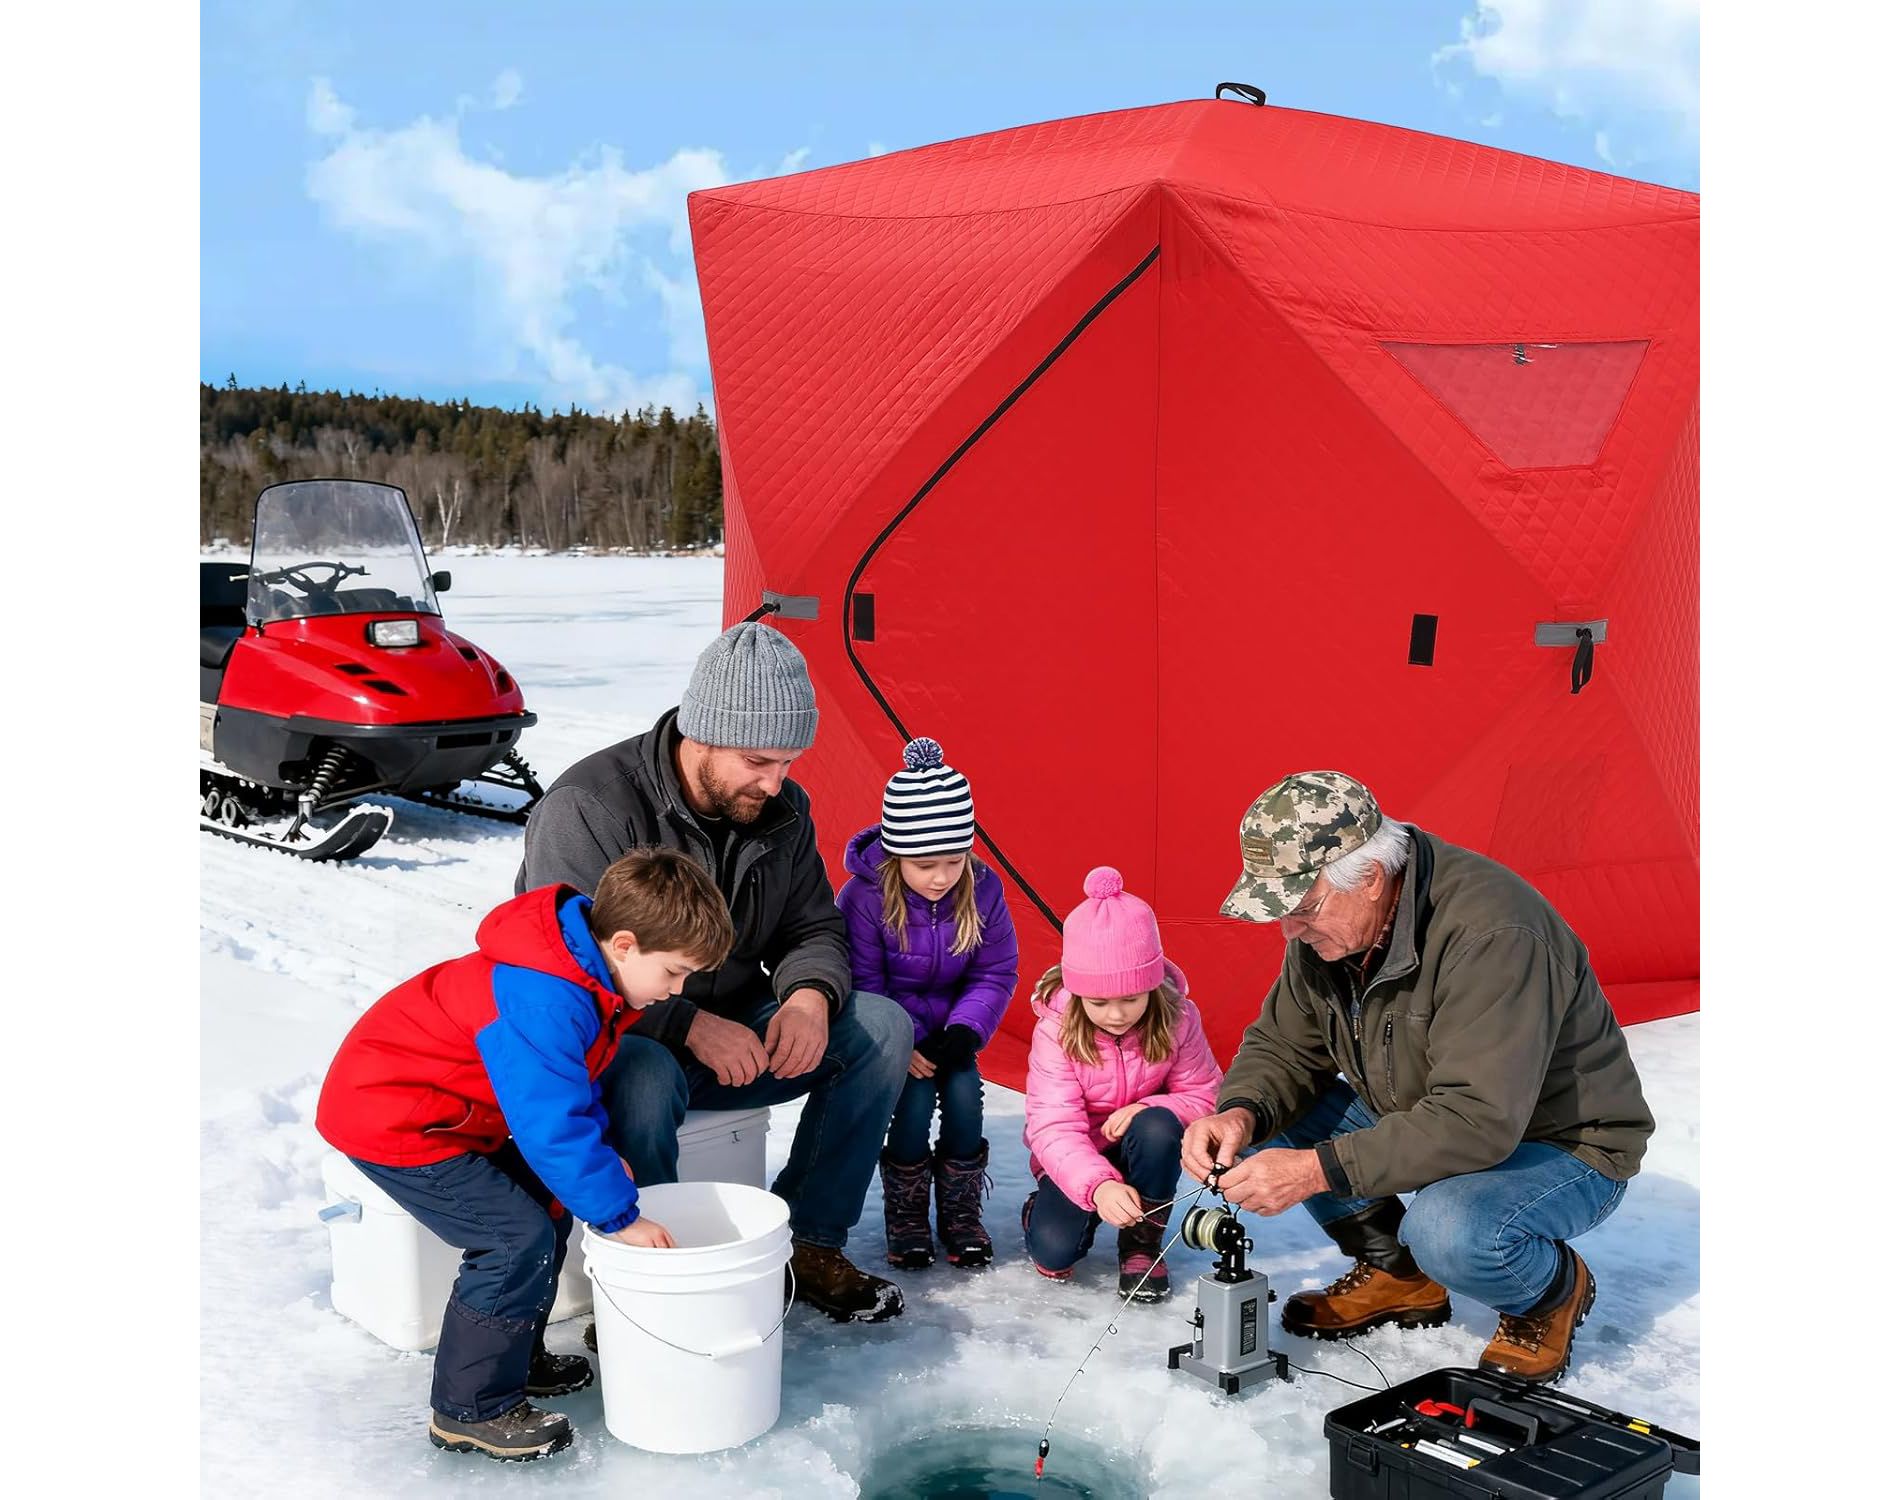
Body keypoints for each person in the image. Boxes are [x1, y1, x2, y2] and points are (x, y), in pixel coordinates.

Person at [1182, 771, 1655, 1383]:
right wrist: (1239, 1112)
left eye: (1300, 910)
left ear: (1371, 878)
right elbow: (1283, 1046)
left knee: (1446, 1228)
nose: (1290, 931)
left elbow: (1477, 1118)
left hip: (1561, 1144)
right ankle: (1398, 1274)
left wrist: (1316, 1170)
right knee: (1271, 1117)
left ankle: (1550, 1292)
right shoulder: (1335, 924)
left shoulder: (1493, 933)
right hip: (1431, 1113)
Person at [517, 621, 913, 1323]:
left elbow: (812, 926)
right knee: (644, 1074)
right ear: (700, 734)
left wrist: (810, 998)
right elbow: (564, 962)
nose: (777, 781)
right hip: (617, 1040)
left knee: (881, 1028)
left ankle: (811, 1243)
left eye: (789, 762)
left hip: (740, 1035)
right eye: (760, 760)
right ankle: (653, 1282)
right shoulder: (590, 809)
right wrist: (689, 1024)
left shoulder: (781, 810)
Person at [315, 849, 734, 1460]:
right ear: (623, 944)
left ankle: (515, 1358)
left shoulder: (584, 975)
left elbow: (573, 1085)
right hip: (395, 1119)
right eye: (673, 972)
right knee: (513, 1240)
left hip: (451, 1114)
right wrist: (619, 1216)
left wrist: (598, 1169)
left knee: (547, 1204)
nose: (677, 990)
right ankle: (470, 1410)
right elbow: (548, 1127)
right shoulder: (546, 997)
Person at [837, 736, 1019, 1270]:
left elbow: (994, 971)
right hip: (896, 1032)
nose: (941, 877)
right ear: (896, 855)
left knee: (965, 1101)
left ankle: (959, 1211)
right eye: (924, 864)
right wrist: (907, 1039)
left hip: (957, 1030)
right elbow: (865, 981)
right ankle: (908, 1211)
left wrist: (964, 1032)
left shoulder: (981, 889)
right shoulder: (864, 899)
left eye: (953, 861)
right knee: (912, 1108)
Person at [1020, 867, 1222, 1301]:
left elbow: (1206, 1094)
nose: (1116, 1015)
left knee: (1159, 1125)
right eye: (1099, 1002)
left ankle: (1142, 1242)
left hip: (1146, 1149)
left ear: (1151, 986)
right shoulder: (1055, 1032)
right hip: (1079, 1153)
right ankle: (1063, 1208)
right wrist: (1099, 1185)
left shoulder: (1178, 1018)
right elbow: (1052, 1126)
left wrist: (1151, 1107)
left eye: (1131, 998)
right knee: (1054, 1255)